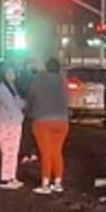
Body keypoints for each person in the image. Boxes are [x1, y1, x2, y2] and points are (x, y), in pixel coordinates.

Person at [26, 57, 70, 194]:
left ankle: (45, 183)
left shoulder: (39, 80)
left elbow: (31, 97)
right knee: (57, 151)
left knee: (46, 153)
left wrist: (30, 111)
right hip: (62, 121)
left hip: (42, 120)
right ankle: (58, 182)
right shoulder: (63, 81)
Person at [0, 63, 26, 190]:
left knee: (13, 151)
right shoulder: (2, 88)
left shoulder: (12, 87)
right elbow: (13, 105)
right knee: (8, 151)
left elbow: (19, 103)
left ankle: (12, 177)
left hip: (14, 122)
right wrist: (20, 103)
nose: (12, 75)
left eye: (13, 72)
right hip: (7, 123)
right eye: (9, 72)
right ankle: (6, 178)